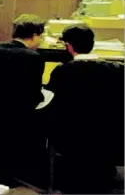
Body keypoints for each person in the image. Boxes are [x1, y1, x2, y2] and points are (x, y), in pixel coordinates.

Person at [44, 24, 123, 193]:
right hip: (109, 138)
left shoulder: (62, 72)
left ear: (68, 46)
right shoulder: (117, 70)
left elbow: (48, 101)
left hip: (72, 141)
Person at [0, 14, 46, 110]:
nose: (41, 41)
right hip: (18, 113)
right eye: (41, 37)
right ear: (34, 36)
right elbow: (35, 94)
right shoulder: (34, 57)